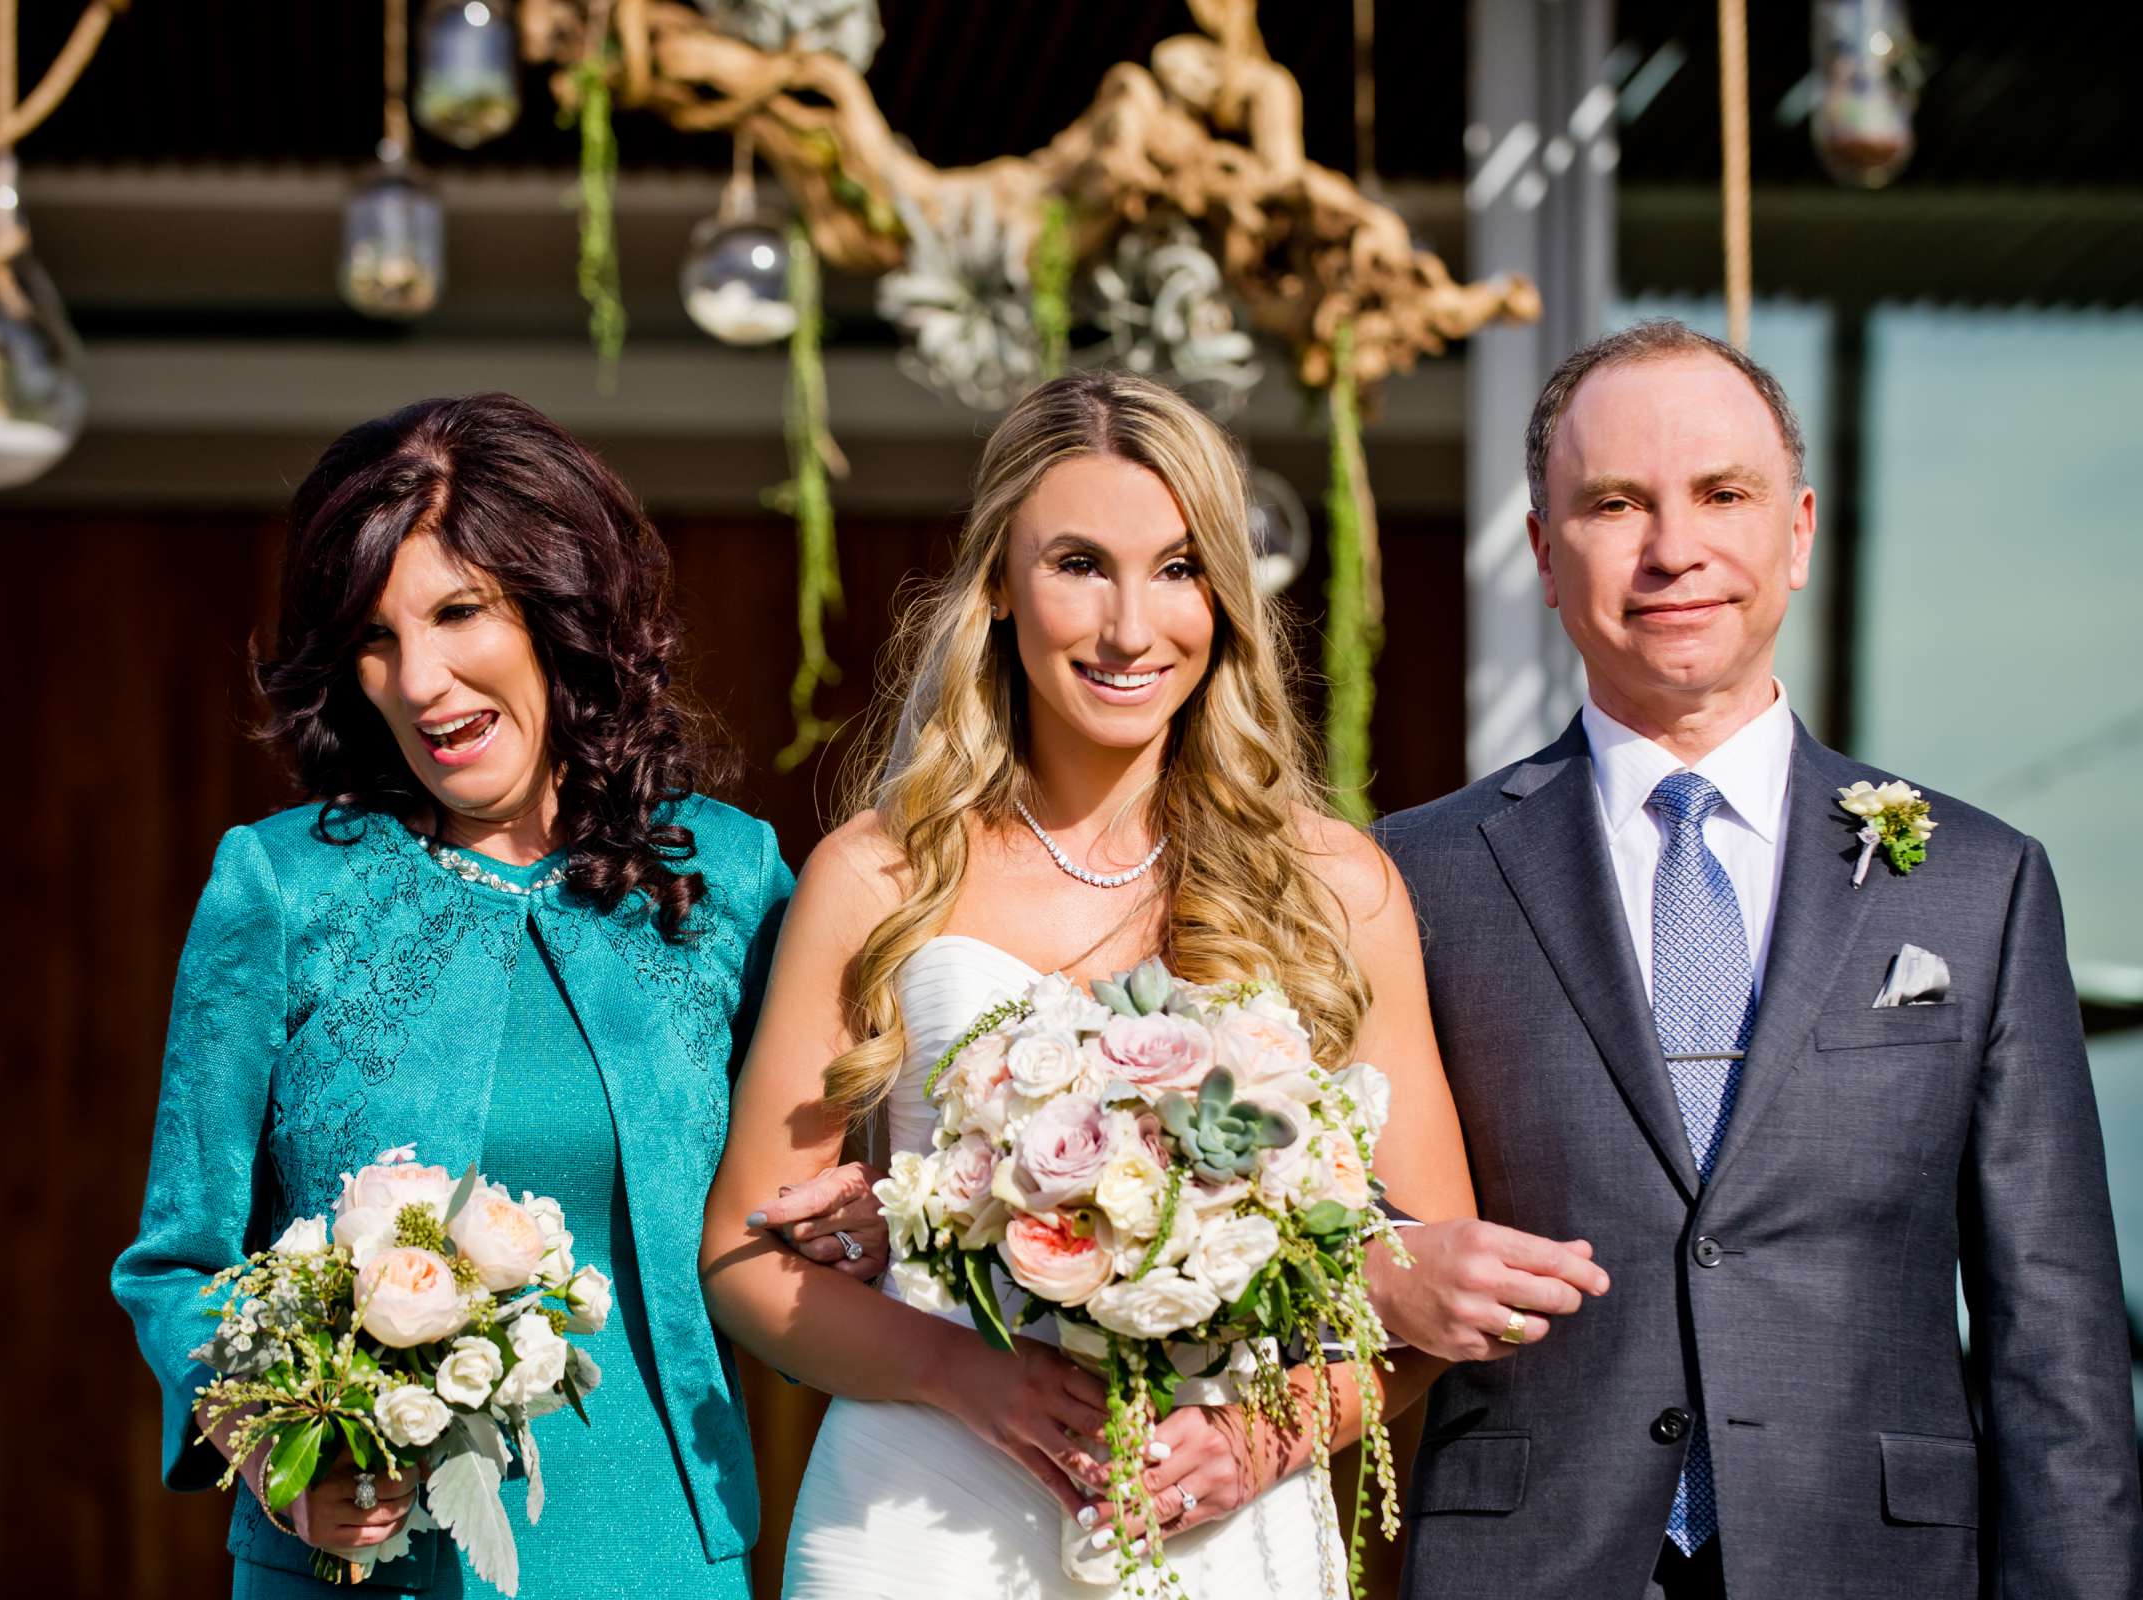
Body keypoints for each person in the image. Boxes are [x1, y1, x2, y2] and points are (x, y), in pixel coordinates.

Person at [701, 368, 1611, 1597]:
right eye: (1079, 564)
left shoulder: (1333, 887)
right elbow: (746, 1260)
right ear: (998, 591)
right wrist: (978, 1378)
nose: (1131, 627)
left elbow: (1417, 1288)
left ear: (1226, 599)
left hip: (1221, 1532)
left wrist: (1254, 1443)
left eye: (1179, 569)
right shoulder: (879, 873)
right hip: (921, 1513)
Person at [1376, 320, 2143, 1599]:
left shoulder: (1976, 883)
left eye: (1719, 495)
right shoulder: (1414, 875)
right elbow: (1332, 1225)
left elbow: (2051, 1334)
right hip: (1530, 1559)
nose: (1674, 549)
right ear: (1541, 557)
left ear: (1795, 531)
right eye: (1616, 503)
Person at [110, 393, 879, 1598]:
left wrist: (857, 1228)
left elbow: (801, 1216)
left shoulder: (729, 879)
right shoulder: (278, 887)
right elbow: (177, 1260)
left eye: (461, 611)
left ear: (560, 609)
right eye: (375, 638)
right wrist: (270, 1449)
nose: (420, 680)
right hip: (350, 1561)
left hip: (662, 1545)